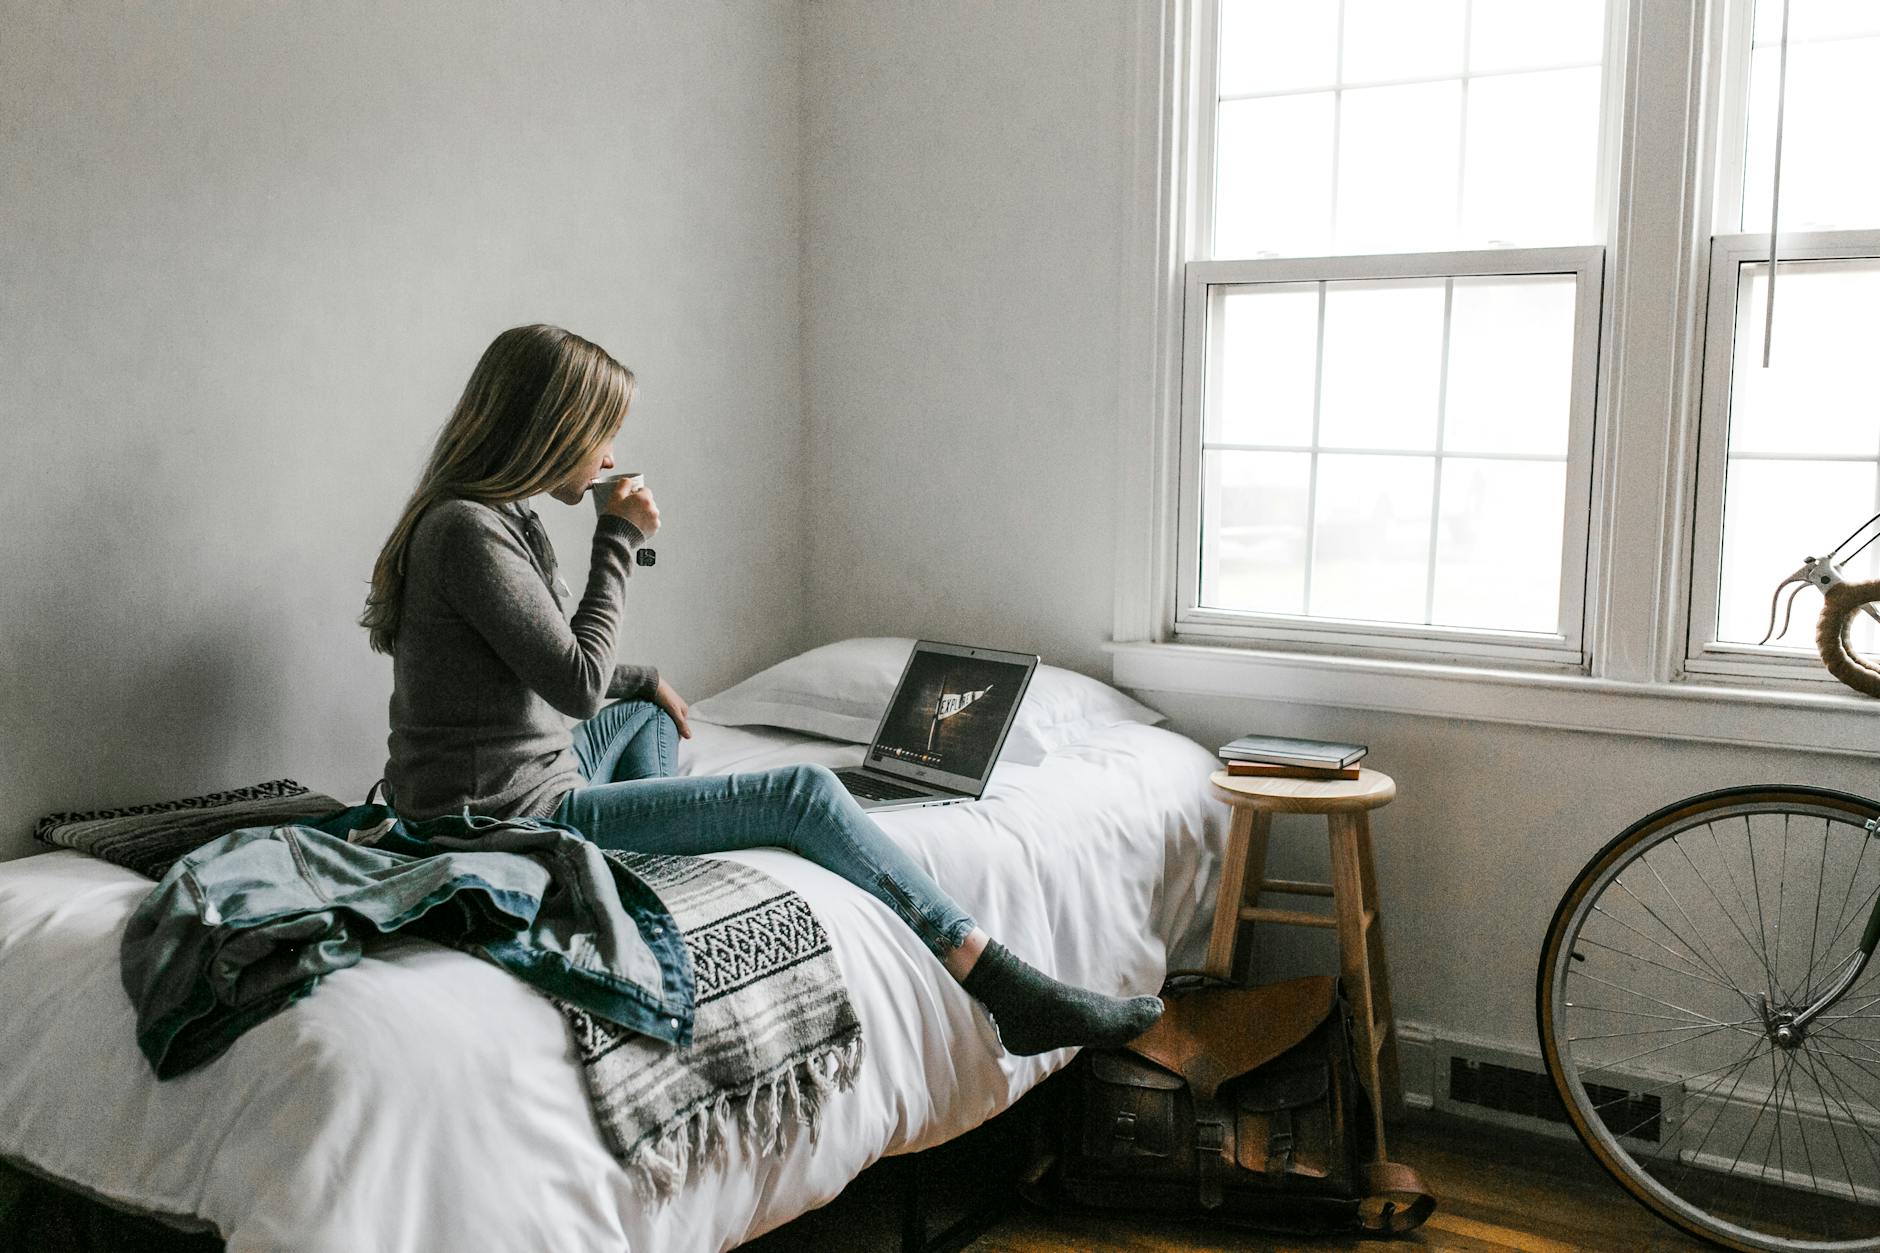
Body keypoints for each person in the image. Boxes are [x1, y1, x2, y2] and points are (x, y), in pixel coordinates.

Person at [360, 324, 1161, 1056]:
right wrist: (618, 537)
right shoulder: (468, 530)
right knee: (806, 793)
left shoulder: (496, 517)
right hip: (496, 816)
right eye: (601, 433)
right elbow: (574, 682)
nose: (609, 457)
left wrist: (640, 679)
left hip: (519, 776)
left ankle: (645, 849)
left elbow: (550, 664)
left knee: (649, 714)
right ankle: (999, 980)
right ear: (552, 428)